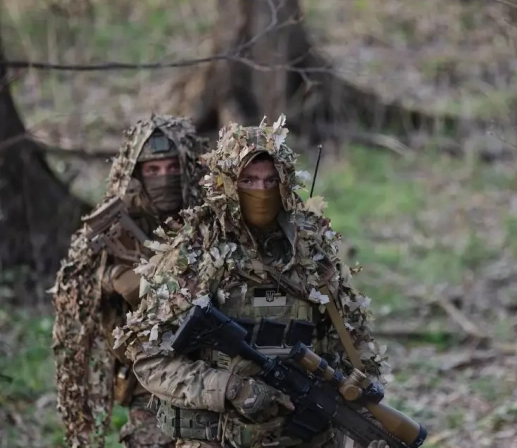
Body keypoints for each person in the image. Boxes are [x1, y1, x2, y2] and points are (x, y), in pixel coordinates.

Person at [113, 117, 391, 448]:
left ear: (285, 183)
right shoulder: (194, 253)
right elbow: (149, 358)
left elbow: (354, 349)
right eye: (248, 181)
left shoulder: (312, 252)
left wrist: (367, 420)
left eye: (270, 181)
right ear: (227, 184)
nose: (261, 191)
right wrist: (230, 388)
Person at [52, 115, 209, 448]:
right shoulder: (117, 223)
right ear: (137, 174)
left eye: (172, 168)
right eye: (153, 170)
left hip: (211, 365)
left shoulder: (211, 217)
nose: (164, 178)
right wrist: (110, 280)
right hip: (147, 378)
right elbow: (74, 291)